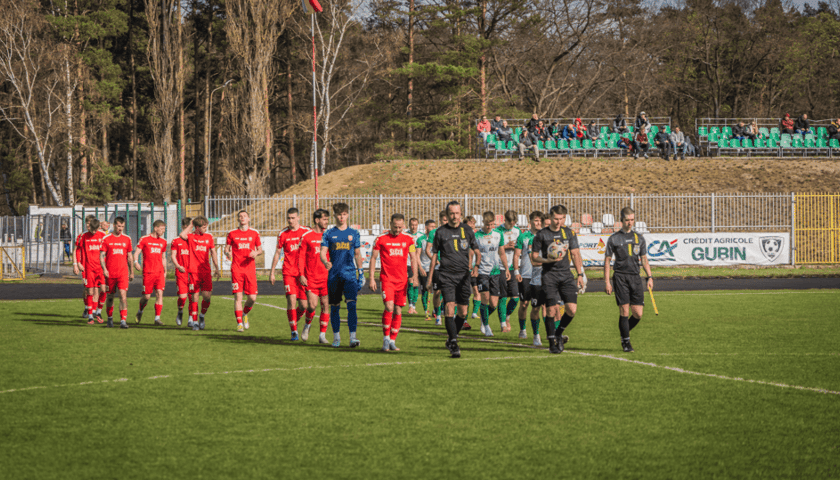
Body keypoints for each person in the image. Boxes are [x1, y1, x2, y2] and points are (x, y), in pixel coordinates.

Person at [427, 200, 481, 358]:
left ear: (460, 214)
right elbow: (434, 256)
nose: (454, 216)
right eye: (451, 213)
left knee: (463, 312)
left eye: (457, 213)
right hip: (446, 275)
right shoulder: (441, 232)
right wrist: (430, 278)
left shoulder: (467, 231)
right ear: (447, 214)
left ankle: (451, 338)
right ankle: (454, 342)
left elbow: (477, 252)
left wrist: (476, 266)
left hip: (464, 276)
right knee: (449, 307)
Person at [531, 205, 587, 354]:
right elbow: (534, 257)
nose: (558, 221)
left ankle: (558, 333)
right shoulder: (542, 235)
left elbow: (575, 254)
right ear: (550, 217)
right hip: (549, 275)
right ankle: (552, 343)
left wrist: (580, 274)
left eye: (561, 218)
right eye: (556, 218)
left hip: (566, 275)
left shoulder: (568, 233)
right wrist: (548, 260)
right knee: (551, 309)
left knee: (571, 309)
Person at [604, 207, 653, 353]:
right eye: (627, 220)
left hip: (635, 277)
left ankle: (624, 331)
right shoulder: (614, 238)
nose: (630, 223)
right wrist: (607, 281)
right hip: (620, 277)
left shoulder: (639, 238)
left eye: (632, 220)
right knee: (624, 310)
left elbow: (644, 259)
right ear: (621, 221)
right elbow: (607, 261)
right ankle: (626, 342)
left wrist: (649, 276)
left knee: (638, 313)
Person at [370, 214, 419, 352]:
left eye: (400, 227)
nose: (397, 230)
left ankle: (392, 340)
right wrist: (372, 278)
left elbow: (413, 258)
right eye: (395, 227)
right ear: (390, 224)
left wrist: (414, 276)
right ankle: (385, 339)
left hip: (402, 281)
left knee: (398, 310)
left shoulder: (408, 240)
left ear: (403, 225)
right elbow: (373, 258)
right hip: (387, 280)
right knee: (389, 307)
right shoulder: (381, 239)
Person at [320, 202, 365, 348]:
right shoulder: (329, 234)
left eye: (344, 214)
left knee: (352, 305)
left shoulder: (354, 233)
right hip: (334, 275)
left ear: (348, 215)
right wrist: (325, 261)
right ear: (335, 215)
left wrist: (361, 272)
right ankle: (336, 338)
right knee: (334, 307)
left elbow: (357, 254)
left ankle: (353, 337)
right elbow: (322, 252)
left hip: (350, 275)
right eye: (339, 214)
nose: (342, 217)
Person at [270, 208, 311, 340]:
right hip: (288, 272)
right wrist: (272, 272)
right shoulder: (283, 233)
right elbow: (277, 253)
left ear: (298, 218)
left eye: (293, 218)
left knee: (304, 306)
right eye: (289, 218)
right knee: (291, 301)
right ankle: (294, 331)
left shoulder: (306, 232)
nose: (291, 220)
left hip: (303, 274)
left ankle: (293, 320)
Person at [179, 216, 221, 331]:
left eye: (206, 226)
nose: (206, 228)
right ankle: (195, 321)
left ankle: (202, 315)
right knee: (195, 297)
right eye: (203, 226)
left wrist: (217, 268)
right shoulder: (191, 236)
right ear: (197, 227)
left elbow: (213, 253)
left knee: (207, 297)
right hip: (194, 272)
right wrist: (191, 224)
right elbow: (182, 235)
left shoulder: (209, 237)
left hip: (206, 272)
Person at [225, 210, 263, 332]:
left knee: (252, 298)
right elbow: (226, 248)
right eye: (240, 216)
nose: (242, 218)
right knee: (238, 297)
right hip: (237, 269)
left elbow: (260, 249)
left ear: (249, 219)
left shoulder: (254, 233)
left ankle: (245, 314)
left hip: (250, 269)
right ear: (238, 219)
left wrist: (256, 253)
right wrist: (228, 252)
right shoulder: (232, 233)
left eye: (244, 216)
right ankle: (239, 324)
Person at [299, 209, 332, 343]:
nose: (327, 222)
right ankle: (307, 325)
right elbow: (301, 257)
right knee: (312, 306)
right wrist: (301, 274)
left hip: (326, 278)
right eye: (324, 219)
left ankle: (322, 335)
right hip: (311, 277)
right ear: (317, 220)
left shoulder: (329, 236)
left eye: (327, 219)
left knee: (325, 305)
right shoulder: (307, 236)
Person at [513, 211, 544, 346]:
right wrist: (516, 271)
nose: (538, 223)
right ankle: (522, 329)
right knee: (524, 304)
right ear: (530, 222)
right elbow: (516, 255)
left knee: (538, 306)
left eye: (540, 221)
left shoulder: (545, 236)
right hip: (525, 275)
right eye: (536, 221)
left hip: (540, 275)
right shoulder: (523, 237)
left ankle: (537, 334)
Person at [474, 211, 505, 337]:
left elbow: (501, 252)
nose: (490, 227)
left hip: (496, 271)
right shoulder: (476, 236)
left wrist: (507, 269)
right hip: (482, 272)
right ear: (483, 222)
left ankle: (483, 317)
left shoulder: (498, 235)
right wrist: (473, 267)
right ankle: (486, 326)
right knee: (485, 298)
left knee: (494, 304)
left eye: (492, 224)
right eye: (487, 224)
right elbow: (473, 253)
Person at [100, 217, 135, 329]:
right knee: (110, 297)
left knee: (123, 297)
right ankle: (110, 319)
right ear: (114, 225)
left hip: (123, 273)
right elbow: (101, 256)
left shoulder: (127, 239)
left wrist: (132, 272)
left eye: (122, 227)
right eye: (119, 226)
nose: (120, 229)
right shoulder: (106, 239)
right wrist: (104, 269)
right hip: (110, 274)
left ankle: (123, 321)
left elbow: (129, 256)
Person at [133, 220, 167, 326]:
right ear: (155, 228)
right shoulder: (144, 239)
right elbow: (137, 253)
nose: (163, 231)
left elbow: (163, 257)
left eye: (164, 229)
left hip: (159, 272)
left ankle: (157, 319)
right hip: (148, 272)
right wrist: (135, 262)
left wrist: (165, 270)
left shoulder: (163, 241)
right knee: (147, 296)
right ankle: (140, 311)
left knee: (159, 294)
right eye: (162, 229)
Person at [75, 216, 105, 324]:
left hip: (100, 268)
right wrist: (77, 263)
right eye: (89, 226)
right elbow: (77, 249)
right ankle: (90, 314)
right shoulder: (83, 236)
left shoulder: (102, 235)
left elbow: (106, 250)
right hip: (88, 268)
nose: (93, 231)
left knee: (102, 289)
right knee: (89, 291)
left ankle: (97, 311)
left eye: (95, 229)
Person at [495, 210, 521, 334]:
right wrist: (505, 246)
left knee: (515, 298)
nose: (512, 226)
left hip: (512, 267)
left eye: (513, 224)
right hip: (500, 267)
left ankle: (507, 315)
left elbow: (520, 246)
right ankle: (503, 324)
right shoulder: (497, 231)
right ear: (504, 220)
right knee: (503, 297)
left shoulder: (517, 231)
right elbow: (492, 248)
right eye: (510, 224)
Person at [424, 210, 449, 325]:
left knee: (449, 291)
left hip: (450, 267)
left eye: (447, 220)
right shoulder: (434, 233)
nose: (446, 222)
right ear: (440, 220)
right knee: (437, 292)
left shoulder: (454, 232)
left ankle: (449, 315)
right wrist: (436, 260)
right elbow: (427, 249)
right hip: (438, 268)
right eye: (444, 220)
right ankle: (438, 315)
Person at [170, 217, 192, 326]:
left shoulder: (193, 240)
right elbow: (173, 256)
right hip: (181, 272)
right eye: (187, 227)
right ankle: (180, 311)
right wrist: (178, 266)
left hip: (192, 272)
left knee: (193, 296)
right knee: (183, 297)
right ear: (183, 227)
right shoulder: (176, 241)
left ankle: (191, 318)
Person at [416, 219, 437, 321]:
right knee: (426, 290)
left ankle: (436, 310)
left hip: (436, 268)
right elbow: (417, 255)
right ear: (426, 227)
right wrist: (420, 268)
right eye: (431, 226)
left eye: (434, 226)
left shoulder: (437, 238)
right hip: (425, 268)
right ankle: (426, 312)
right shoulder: (421, 239)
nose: (433, 228)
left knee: (438, 290)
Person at [405, 217, 424, 314]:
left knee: (417, 285)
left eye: (415, 225)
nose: (414, 227)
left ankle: (413, 306)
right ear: (409, 225)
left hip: (418, 263)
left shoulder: (421, 236)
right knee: (411, 282)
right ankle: (410, 306)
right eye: (412, 225)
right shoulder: (405, 235)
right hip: (408, 263)